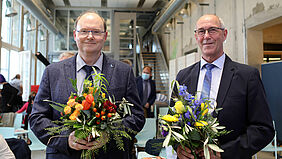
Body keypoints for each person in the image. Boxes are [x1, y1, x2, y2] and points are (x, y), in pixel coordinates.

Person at [29, 10, 145, 159]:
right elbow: (37, 117)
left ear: (105, 36)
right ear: (75, 35)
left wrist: (108, 135)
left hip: (110, 154)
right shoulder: (53, 72)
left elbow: (137, 117)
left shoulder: (124, 71)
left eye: (96, 32)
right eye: (84, 31)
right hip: (64, 154)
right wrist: (66, 139)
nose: (90, 36)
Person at [173, 14, 274, 159]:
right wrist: (178, 147)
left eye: (212, 30)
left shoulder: (247, 76)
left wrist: (224, 152)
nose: (206, 36)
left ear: (224, 34)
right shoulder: (183, 76)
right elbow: (174, 122)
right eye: (201, 31)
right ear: (196, 37)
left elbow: (263, 129)